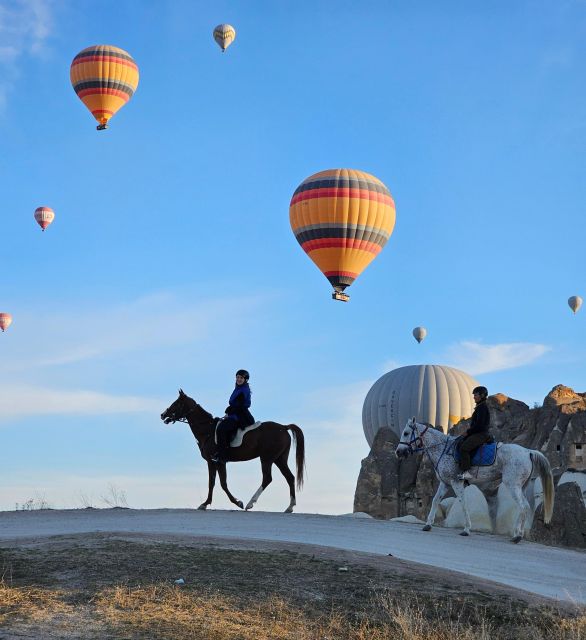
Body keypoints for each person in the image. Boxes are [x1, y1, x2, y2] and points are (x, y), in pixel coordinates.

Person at [211, 369, 255, 463]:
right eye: (237, 377)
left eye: (241, 378)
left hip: (240, 416)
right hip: (235, 414)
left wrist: (231, 410)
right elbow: (235, 405)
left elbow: (240, 405)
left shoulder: (243, 390)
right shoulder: (238, 388)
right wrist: (230, 411)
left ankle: (223, 456)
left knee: (221, 429)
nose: (239, 379)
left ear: (245, 379)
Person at [458, 386, 492, 480]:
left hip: (481, 434)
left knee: (464, 448)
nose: (474, 397)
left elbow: (480, 425)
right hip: (478, 433)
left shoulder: (482, 408)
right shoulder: (480, 407)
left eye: (475, 395)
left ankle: (467, 472)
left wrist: (468, 432)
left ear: (482, 395)